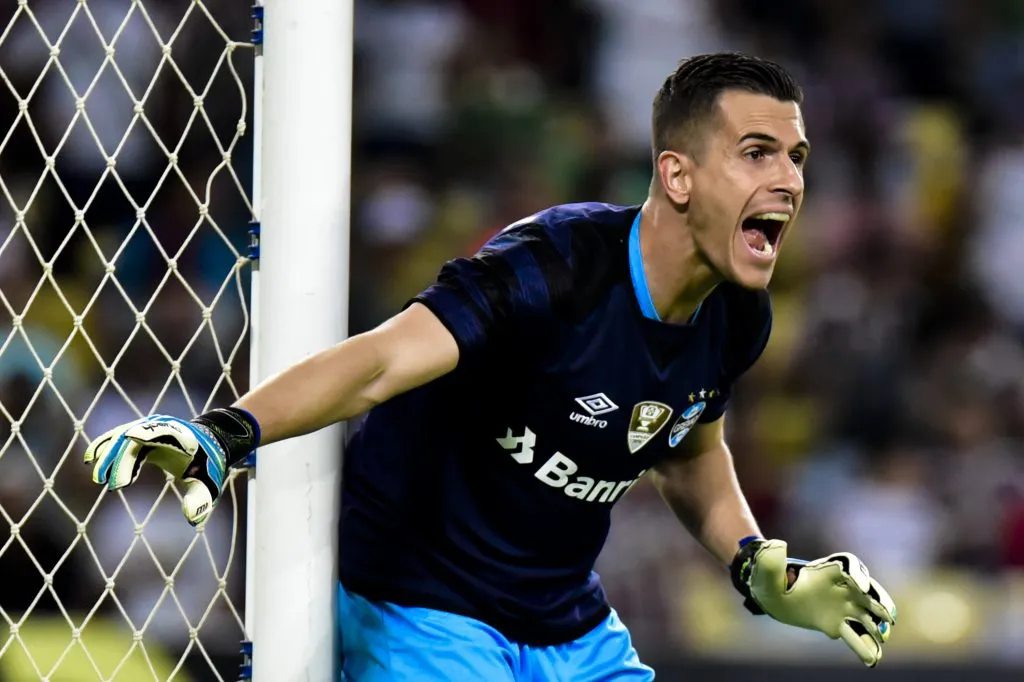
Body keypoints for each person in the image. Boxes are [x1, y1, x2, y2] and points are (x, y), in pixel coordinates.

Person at [84, 52, 897, 680]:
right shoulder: (553, 269)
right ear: (676, 174)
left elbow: (687, 448)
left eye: (796, 156)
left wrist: (757, 566)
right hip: (423, 605)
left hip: (564, 621)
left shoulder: (738, 314)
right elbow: (381, 362)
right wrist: (227, 433)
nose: (790, 180)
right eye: (758, 153)